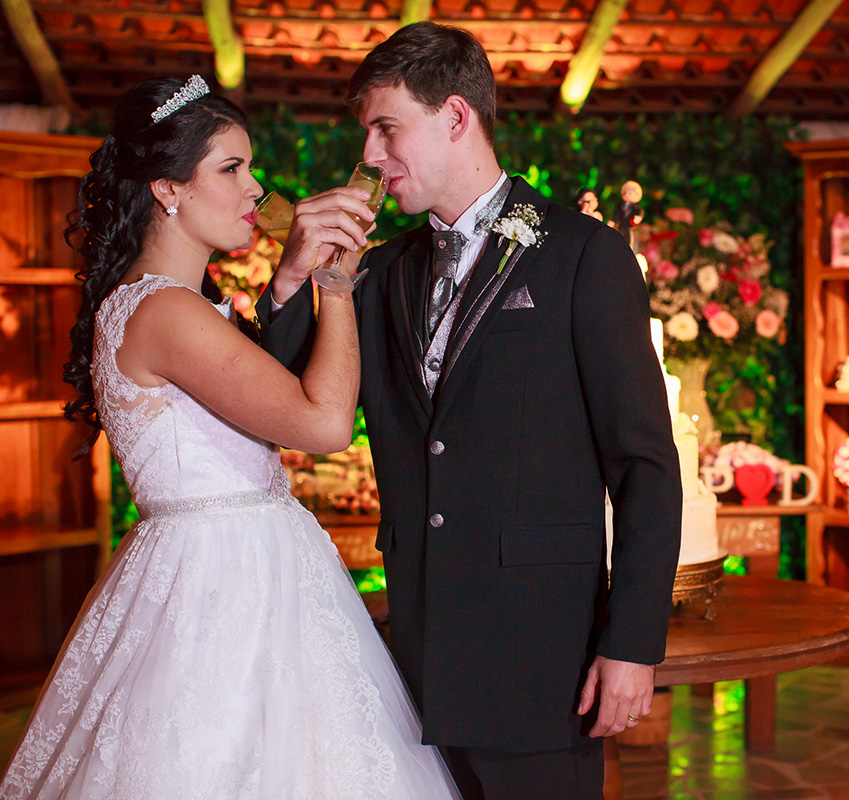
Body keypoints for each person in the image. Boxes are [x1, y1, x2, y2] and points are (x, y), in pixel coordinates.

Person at [0, 76, 459, 800]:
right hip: (221, 591)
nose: (256, 190)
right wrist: (335, 284)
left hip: (239, 569)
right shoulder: (164, 313)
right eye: (231, 168)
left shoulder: (185, 305)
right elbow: (323, 422)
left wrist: (291, 276)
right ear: (167, 190)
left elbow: (255, 399)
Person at [257, 22, 682, 800]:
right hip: (415, 658)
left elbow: (645, 465)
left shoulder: (586, 257)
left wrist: (633, 645)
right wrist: (293, 280)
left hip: (542, 663)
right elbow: (284, 402)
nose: (371, 158)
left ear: (456, 117)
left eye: (387, 129)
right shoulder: (376, 273)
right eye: (368, 136)